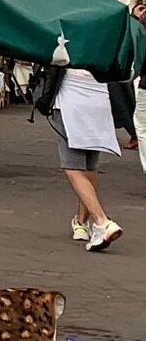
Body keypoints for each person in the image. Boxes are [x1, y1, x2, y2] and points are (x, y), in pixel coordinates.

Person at [40, 66, 123, 251]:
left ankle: (102, 221)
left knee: (72, 167)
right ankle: (81, 223)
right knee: (89, 166)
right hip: (99, 95)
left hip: (71, 95)